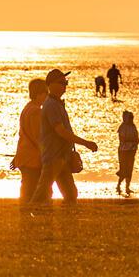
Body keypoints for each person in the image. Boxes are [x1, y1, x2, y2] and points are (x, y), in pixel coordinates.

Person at [40, 68, 98, 202]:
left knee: (71, 193)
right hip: (54, 157)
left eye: (66, 83)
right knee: (42, 193)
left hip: (62, 157)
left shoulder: (57, 104)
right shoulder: (51, 105)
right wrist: (86, 143)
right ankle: (32, 217)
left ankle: (66, 219)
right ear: (51, 85)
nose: (65, 86)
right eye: (61, 83)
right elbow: (61, 131)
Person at [11, 77, 48, 205]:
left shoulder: (27, 108)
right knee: (32, 189)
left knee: (28, 187)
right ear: (38, 94)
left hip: (24, 155)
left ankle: (26, 214)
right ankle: (28, 214)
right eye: (45, 93)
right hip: (32, 158)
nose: (47, 96)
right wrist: (47, 155)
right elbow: (38, 138)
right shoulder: (35, 112)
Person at [115, 111, 139, 196]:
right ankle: (118, 185)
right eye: (130, 118)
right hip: (123, 151)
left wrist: (135, 142)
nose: (131, 119)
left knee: (130, 169)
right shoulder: (122, 127)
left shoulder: (133, 126)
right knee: (124, 170)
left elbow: (136, 137)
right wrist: (133, 141)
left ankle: (127, 187)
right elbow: (123, 139)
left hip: (132, 150)